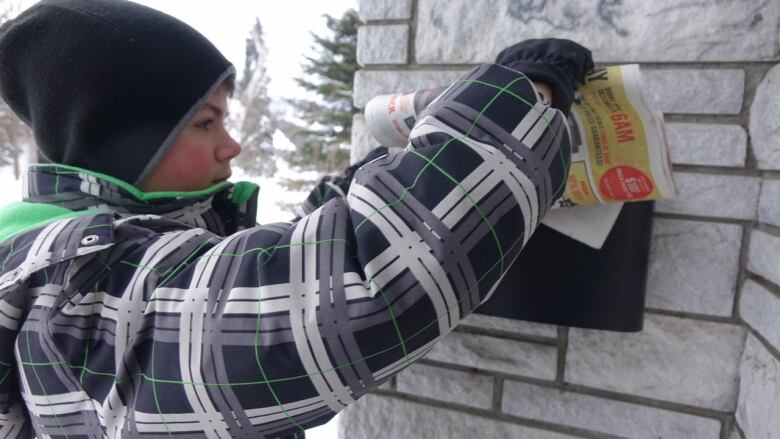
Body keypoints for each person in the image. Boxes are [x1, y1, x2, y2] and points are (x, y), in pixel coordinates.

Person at [0, 0, 593, 437]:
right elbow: (355, 289)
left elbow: (268, 258)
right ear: (123, 144)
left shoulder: (134, 245)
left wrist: (380, 168)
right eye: (206, 123)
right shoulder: (68, 287)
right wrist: (524, 100)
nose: (231, 145)